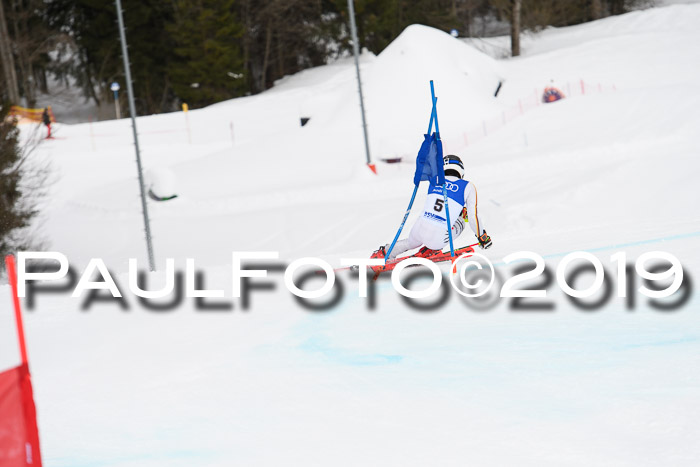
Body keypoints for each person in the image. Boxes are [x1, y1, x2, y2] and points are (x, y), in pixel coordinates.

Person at [373, 154, 491, 260]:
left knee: (410, 242)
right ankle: (431, 250)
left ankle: (384, 253)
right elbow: (473, 217)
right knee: (461, 221)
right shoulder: (468, 186)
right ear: (461, 169)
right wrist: (482, 237)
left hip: (418, 230)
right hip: (436, 239)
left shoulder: (434, 180)